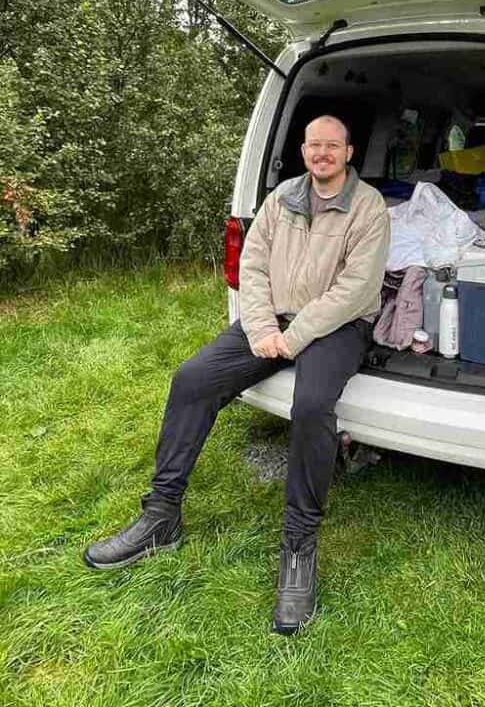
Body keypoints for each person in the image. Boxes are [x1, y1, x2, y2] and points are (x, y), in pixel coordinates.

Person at [83, 115, 390, 635]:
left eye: (332, 146)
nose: (322, 154)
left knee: (312, 407)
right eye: (315, 145)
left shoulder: (368, 207)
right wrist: (264, 327)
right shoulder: (280, 199)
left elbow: (356, 291)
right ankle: (162, 515)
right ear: (304, 150)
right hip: (273, 321)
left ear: (349, 151)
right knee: (191, 379)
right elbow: (252, 266)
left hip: (337, 327)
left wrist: (290, 341)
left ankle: (298, 546)